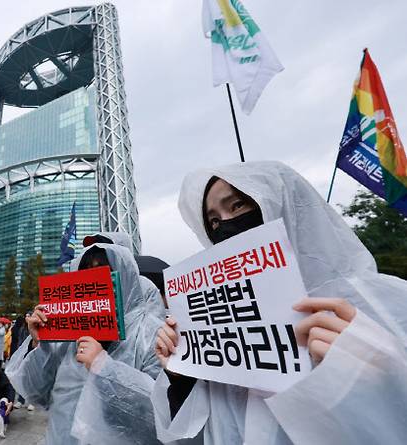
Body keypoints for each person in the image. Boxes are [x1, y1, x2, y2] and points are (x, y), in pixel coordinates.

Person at [153, 161, 407, 444]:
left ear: (284, 205)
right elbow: (204, 434)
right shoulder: (226, 329)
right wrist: (183, 378)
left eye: (237, 206)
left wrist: (384, 372)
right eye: (213, 221)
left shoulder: (387, 301)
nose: (224, 224)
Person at [6, 243, 166, 444]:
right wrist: (41, 344)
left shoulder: (150, 334)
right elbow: (36, 392)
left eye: (104, 270)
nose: (95, 279)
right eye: (87, 271)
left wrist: (105, 368)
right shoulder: (70, 335)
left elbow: (160, 418)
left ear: (124, 277)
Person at [82, 231, 167, 320]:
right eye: (90, 267)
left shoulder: (143, 286)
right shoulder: (88, 290)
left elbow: (155, 325)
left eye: (100, 266)